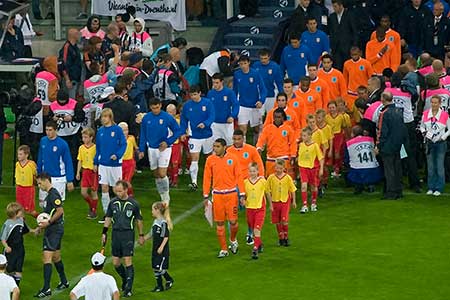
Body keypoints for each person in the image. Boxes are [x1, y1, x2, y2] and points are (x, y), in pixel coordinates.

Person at [101, 180, 144, 298]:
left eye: (120, 191)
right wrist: (104, 232)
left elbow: (139, 220)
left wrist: (141, 235)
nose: (118, 193)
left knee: (127, 260)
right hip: (115, 234)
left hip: (128, 235)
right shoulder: (113, 202)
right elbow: (108, 217)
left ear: (126, 190)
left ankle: (128, 289)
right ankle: (125, 279)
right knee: (115, 263)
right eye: (116, 191)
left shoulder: (134, 204)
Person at [203, 138, 244, 258]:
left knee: (233, 221)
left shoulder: (233, 159)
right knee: (220, 223)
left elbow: (239, 176)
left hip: (231, 195)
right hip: (217, 195)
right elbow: (207, 177)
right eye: (214, 146)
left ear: (224, 147)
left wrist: (242, 194)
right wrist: (205, 195)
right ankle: (224, 249)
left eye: (217, 147)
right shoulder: (210, 160)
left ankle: (233, 239)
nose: (215, 149)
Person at [139, 98, 181, 202]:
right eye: (153, 108)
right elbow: (143, 134)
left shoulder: (167, 117)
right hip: (152, 148)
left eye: (157, 108)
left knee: (162, 173)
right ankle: (161, 194)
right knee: (156, 174)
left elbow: (177, 131)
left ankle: (166, 197)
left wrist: (168, 142)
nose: (155, 110)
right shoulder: (146, 118)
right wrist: (141, 149)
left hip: (164, 149)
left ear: (160, 105)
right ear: (150, 107)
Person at [34, 173, 69, 298]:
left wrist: (48, 223)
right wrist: (39, 226)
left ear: (45, 181)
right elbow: (47, 214)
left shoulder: (53, 194)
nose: (39, 186)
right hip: (55, 229)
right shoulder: (50, 194)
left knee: (46, 258)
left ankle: (46, 288)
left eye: (39, 183)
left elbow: (60, 211)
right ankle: (64, 281)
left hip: (53, 230)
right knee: (56, 257)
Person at [227, 129, 265, 245]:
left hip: (250, 184)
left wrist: (261, 179)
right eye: (234, 139)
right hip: (235, 186)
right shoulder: (228, 151)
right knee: (232, 212)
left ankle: (250, 233)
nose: (236, 141)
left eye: (239, 139)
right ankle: (233, 239)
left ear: (243, 138)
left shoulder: (251, 150)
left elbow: (259, 165)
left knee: (251, 211)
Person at [94, 108, 127, 222]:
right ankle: (107, 213)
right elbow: (98, 148)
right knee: (104, 187)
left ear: (110, 117)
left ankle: (120, 211)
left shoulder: (117, 130)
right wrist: (95, 162)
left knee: (117, 188)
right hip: (103, 164)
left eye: (105, 117)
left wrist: (117, 155)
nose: (103, 119)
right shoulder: (100, 131)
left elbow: (123, 144)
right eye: (102, 117)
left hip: (115, 165)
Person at [180, 85, 215, 191]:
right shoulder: (187, 106)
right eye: (191, 95)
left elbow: (212, 116)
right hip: (194, 136)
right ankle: (194, 182)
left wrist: (205, 124)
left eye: (195, 94)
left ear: (200, 93)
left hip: (207, 135)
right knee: (194, 159)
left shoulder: (207, 103)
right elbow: (183, 120)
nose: (193, 97)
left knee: (209, 157)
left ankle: (213, 177)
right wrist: (182, 132)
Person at [375, 91, 407, 200]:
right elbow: (403, 129)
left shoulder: (385, 113)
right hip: (397, 145)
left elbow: (382, 132)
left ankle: (391, 192)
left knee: (389, 170)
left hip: (387, 146)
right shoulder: (399, 111)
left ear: (383, 99)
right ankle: (398, 191)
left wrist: (378, 146)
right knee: (397, 168)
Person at [37, 121, 75, 206]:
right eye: (46, 130)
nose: (48, 132)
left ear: (55, 130)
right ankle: (46, 219)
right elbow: (40, 158)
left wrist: (69, 180)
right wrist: (38, 174)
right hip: (45, 177)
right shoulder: (43, 141)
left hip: (58, 178)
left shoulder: (62, 144)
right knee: (43, 204)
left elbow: (68, 162)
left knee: (57, 204)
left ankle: (60, 219)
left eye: (50, 130)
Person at [420, 95, 450, 196]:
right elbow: (422, 127)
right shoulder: (425, 114)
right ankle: (431, 187)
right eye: (432, 102)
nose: (433, 104)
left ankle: (439, 188)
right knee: (431, 166)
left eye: (436, 102)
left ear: (440, 103)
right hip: (429, 143)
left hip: (441, 143)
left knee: (439, 166)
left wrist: (443, 137)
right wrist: (426, 134)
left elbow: (449, 129)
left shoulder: (445, 115)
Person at [233, 55, 267, 143]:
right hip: (242, 106)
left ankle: (257, 148)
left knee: (256, 129)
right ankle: (242, 149)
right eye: (241, 64)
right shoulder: (237, 74)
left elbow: (263, 89)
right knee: (242, 129)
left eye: (245, 63)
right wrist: (234, 104)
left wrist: (261, 101)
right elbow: (235, 90)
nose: (243, 66)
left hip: (255, 106)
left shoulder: (255, 74)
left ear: (249, 63)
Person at [49, 90, 85, 171]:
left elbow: (81, 117)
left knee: (73, 156)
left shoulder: (75, 104)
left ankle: (74, 176)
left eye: (64, 102)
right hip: (59, 135)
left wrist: (72, 118)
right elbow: (49, 119)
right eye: (60, 102)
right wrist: (53, 119)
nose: (62, 103)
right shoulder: (52, 105)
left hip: (73, 134)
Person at [0, 203, 35, 286]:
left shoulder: (21, 220)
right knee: (9, 269)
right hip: (10, 251)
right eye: (20, 211)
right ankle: (6, 284)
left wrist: (34, 230)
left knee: (18, 269)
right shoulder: (7, 224)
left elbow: (26, 230)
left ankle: (16, 287)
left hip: (20, 250)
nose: (22, 211)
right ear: (15, 213)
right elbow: (3, 238)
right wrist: (7, 247)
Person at [257, 108, 297, 177]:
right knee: (271, 181)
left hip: (284, 158)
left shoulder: (288, 129)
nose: (276, 119)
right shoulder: (268, 129)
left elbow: (293, 143)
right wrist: (259, 148)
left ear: (283, 118)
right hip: (271, 158)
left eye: (279, 117)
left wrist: (293, 155)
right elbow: (261, 140)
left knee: (284, 181)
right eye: (275, 117)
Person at [143, 201, 174, 292]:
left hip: (162, 250)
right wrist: (144, 239)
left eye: (152, 209)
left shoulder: (163, 223)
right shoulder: (155, 221)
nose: (151, 211)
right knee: (155, 267)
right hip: (155, 249)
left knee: (158, 268)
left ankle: (167, 281)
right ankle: (161, 285)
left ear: (157, 210)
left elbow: (166, 236)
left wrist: (161, 247)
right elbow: (152, 233)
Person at [241, 163, 270, 259]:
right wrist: (243, 201)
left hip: (260, 209)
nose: (252, 173)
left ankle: (255, 249)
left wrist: (271, 204)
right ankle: (259, 244)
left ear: (258, 171)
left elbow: (267, 193)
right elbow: (243, 195)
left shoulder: (262, 181)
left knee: (257, 229)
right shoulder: (245, 182)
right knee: (253, 229)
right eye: (250, 171)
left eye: (254, 171)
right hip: (249, 209)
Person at [266, 159, 297, 246]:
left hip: (284, 202)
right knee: (277, 221)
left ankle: (286, 237)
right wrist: (270, 204)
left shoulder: (287, 178)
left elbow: (293, 190)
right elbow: (267, 191)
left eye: (280, 168)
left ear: (284, 168)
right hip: (275, 201)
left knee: (284, 220)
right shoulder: (271, 178)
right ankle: (281, 238)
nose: (278, 170)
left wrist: (293, 201)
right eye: (276, 168)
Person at [344, 125, 382, 194]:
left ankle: (358, 186)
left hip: (357, 171)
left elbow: (346, 159)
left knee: (350, 166)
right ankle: (370, 185)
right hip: (373, 170)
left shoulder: (349, 143)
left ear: (353, 134)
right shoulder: (371, 140)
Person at [207, 73, 239, 146]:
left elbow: (236, 105)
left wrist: (232, 116)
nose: (215, 85)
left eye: (217, 83)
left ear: (222, 82)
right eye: (213, 83)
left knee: (230, 144)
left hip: (226, 123)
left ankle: (230, 157)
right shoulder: (210, 93)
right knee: (216, 145)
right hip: (214, 124)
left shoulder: (229, 92)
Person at [298, 127, 324, 213]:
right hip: (303, 168)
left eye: (304, 136)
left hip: (313, 168)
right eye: (302, 135)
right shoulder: (301, 145)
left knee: (313, 186)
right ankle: (304, 205)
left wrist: (321, 169)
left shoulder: (315, 146)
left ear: (310, 136)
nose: (303, 137)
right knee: (304, 186)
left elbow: (320, 158)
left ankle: (313, 203)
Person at [328, 0, 358, 70]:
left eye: (335, 6)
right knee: (338, 69)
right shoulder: (332, 16)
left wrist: (354, 46)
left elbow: (354, 32)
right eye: (333, 7)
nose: (334, 8)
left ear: (341, 5)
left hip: (347, 48)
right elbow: (331, 32)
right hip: (336, 49)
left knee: (347, 68)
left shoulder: (350, 15)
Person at [76, 128, 98, 219]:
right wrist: (78, 172)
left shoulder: (96, 147)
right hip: (85, 171)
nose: (84, 139)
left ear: (91, 138)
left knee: (94, 192)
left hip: (93, 172)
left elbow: (97, 158)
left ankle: (93, 211)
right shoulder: (81, 148)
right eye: (83, 137)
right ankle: (91, 205)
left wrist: (96, 165)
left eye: (86, 137)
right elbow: (80, 160)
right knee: (83, 192)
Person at [253, 48, 283, 114]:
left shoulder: (275, 67)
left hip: (271, 96)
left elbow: (279, 83)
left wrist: (281, 94)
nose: (263, 60)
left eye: (265, 58)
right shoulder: (255, 66)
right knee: (259, 118)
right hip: (259, 97)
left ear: (269, 57)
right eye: (261, 58)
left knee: (271, 115)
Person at [59, 28, 83, 99]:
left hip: (76, 78)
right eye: (78, 34)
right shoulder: (67, 47)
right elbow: (63, 64)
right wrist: (67, 79)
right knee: (70, 99)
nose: (79, 36)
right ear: (74, 35)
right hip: (70, 78)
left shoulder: (75, 47)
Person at [15, 145, 37, 216]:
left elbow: (35, 174)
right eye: (18, 154)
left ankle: (42, 219)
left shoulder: (31, 164)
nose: (18, 156)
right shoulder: (17, 164)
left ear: (26, 155)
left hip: (28, 188)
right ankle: (22, 225)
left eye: (21, 154)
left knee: (30, 211)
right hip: (19, 188)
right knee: (19, 209)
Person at [326, 101, 346, 177]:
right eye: (330, 108)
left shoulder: (341, 116)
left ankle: (338, 168)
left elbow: (344, 126)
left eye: (333, 107)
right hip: (330, 136)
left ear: (336, 108)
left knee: (337, 153)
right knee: (331, 152)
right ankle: (334, 167)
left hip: (338, 135)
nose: (331, 109)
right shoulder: (326, 117)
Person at [165, 104, 182, 187]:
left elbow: (180, 132)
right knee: (166, 163)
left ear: (175, 112)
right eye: (168, 112)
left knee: (174, 162)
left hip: (175, 144)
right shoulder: (163, 120)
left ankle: (175, 180)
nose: (169, 114)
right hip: (166, 145)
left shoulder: (178, 121)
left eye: (171, 112)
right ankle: (168, 178)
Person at [119, 122, 137, 196]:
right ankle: (123, 195)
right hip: (120, 163)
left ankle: (130, 195)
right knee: (121, 181)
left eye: (126, 130)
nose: (125, 132)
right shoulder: (117, 140)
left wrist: (139, 152)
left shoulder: (131, 138)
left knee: (127, 181)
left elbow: (135, 148)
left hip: (130, 163)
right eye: (123, 130)